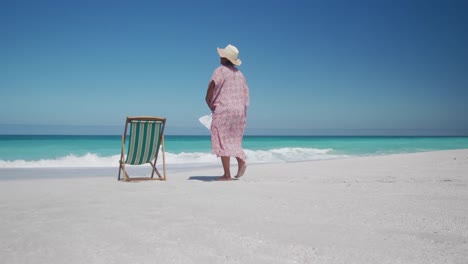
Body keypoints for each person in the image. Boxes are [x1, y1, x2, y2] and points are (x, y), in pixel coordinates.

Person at [205, 44, 250, 181]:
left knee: (222, 139)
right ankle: (240, 159)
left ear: (225, 58)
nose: (220, 56)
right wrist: (242, 110)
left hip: (224, 109)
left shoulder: (220, 70)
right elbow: (246, 95)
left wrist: (209, 103)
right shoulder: (240, 74)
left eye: (222, 55)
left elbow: (212, 87)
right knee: (233, 139)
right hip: (239, 111)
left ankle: (227, 174)